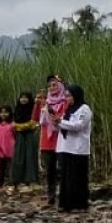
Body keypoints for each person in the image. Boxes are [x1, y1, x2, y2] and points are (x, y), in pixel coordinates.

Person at [54, 84, 92, 212]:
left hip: (78, 149)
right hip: (65, 147)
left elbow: (78, 126)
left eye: (69, 96)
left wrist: (61, 122)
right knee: (65, 177)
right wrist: (55, 121)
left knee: (77, 177)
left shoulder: (84, 109)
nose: (67, 99)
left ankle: (79, 204)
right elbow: (61, 127)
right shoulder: (67, 110)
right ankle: (65, 203)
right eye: (66, 96)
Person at [39, 75, 69, 206]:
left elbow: (61, 120)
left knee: (62, 169)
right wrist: (38, 105)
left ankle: (64, 195)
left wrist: (51, 111)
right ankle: (50, 196)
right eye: (50, 85)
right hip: (46, 140)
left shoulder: (65, 103)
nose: (52, 87)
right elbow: (37, 119)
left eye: (55, 85)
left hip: (61, 140)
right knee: (50, 171)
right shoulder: (45, 102)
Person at [9, 90, 40, 191]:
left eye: (26, 97)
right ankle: (17, 180)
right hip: (19, 136)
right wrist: (18, 127)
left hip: (29, 136)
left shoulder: (33, 110)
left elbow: (33, 124)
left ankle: (30, 180)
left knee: (30, 156)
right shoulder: (17, 110)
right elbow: (12, 125)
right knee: (18, 156)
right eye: (22, 97)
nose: (23, 99)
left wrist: (18, 126)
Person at [0, 104, 15, 189]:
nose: (3, 114)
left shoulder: (12, 125)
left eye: (6, 112)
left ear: (10, 113)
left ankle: (12, 183)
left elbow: (15, 136)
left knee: (11, 168)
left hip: (11, 150)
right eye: (1, 112)